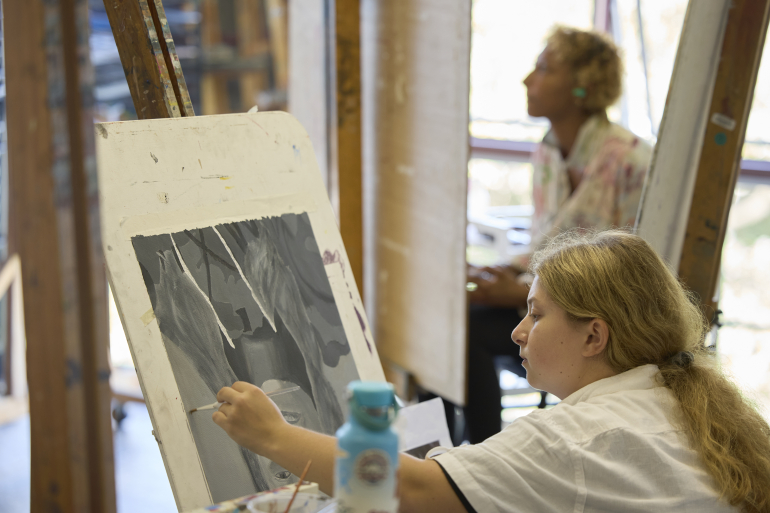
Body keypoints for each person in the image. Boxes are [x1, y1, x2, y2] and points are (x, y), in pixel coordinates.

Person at [213, 229, 770, 512]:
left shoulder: (578, 436)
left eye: (536, 313)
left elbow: (406, 489)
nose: (517, 332)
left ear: (595, 335)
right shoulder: (677, 398)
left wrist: (272, 434)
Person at [464, 26, 653, 443]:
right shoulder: (548, 151)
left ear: (583, 86)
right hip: (550, 303)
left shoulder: (632, 161)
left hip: (602, 325)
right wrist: (501, 270)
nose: (528, 79)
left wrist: (520, 294)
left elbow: (631, 278)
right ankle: (455, 452)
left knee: (470, 330)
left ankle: (481, 454)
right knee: (455, 310)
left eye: (545, 68)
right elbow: (544, 243)